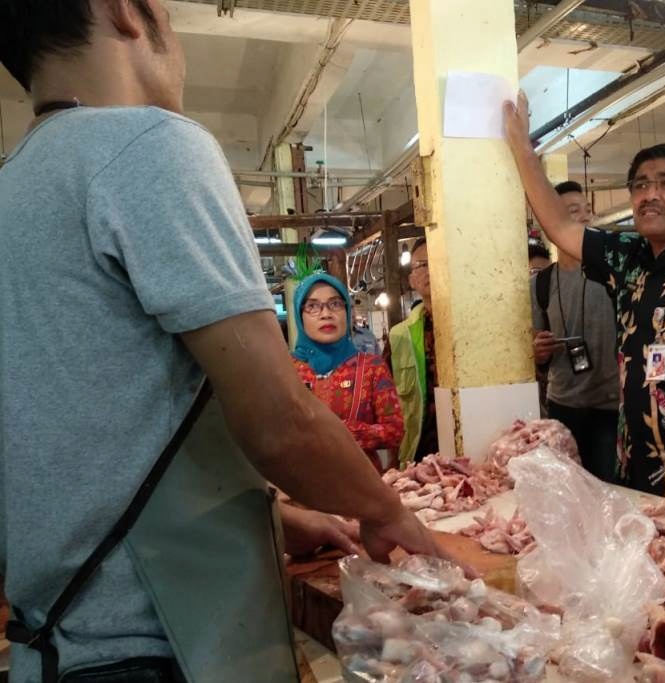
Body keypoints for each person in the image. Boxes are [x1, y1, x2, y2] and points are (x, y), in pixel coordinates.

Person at [0, 2, 443, 680]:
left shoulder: (14, 186)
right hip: (166, 647)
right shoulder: (148, 146)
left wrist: (279, 516)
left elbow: (87, 435)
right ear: (125, 11)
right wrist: (386, 513)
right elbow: (280, 421)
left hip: (53, 647)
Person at [504, 92, 665, 494]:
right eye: (640, 185)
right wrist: (523, 152)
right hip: (634, 464)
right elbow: (559, 226)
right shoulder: (629, 260)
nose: (649, 194)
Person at [532, 181, 621, 483]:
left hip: (613, 405)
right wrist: (539, 352)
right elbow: (534, 350)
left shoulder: (616, 275)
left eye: (587, 211)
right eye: (573, 211)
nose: (584, 218)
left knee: (609, 491)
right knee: (567, 491)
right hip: (562, 406)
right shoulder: (540, 284)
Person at [292, 273, 404, 472]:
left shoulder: (371, 368)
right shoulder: (287, 371)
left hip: (362, 488)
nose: (326, 314)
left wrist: (346, 433)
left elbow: (395, 430)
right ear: (300, 317)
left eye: (335, 304)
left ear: (347, 310)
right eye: (312, 306)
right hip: (301, 489)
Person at [385, 237, 440, 466]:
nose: (432, 269)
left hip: (471, 443)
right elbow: (388, 405)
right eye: (423, 264)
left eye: (438, 260)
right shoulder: (399, 336)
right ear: (412, 280)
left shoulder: (475, 325)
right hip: (418, 452)